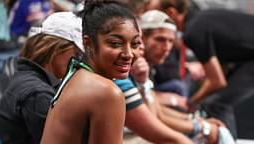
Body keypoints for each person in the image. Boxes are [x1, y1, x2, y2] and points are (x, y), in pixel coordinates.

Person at [40, 1, 141, 144]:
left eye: (135, 44)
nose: (129, 54)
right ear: (88, 43)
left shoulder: (76, 74)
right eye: (115, 43)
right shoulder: (107, 92)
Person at [160, 0, 254, 138]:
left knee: (216, 104)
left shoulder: (193, 31)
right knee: (215, 101)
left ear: (171, 13)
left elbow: (218, 81)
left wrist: (191, 102)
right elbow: (220, 73)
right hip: (247, 58)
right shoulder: (203, 19)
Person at [0, 11, 84, 143]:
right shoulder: (37, 93)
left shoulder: (26, 76)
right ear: (57, 49)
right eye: (77, 54)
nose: (77, 62)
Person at [114, 8, 194, 144]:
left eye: (170, 41)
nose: (166, 47)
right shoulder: (121, 73)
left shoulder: (145, 68)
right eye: (160, 40)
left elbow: (155, 113)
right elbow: (155, 119)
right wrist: (203, 128)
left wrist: (195, 122)